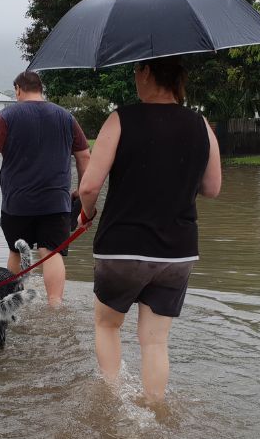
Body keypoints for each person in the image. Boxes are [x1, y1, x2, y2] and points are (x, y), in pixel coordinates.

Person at [77, 56, 221, 404]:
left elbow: (88, 186)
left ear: (146, 73)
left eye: (135, 71)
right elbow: (213, 187)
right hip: (177, 252)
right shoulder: (201, 125)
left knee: (107, 325)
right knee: (155, 341)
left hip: (122, 247)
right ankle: (153, 407)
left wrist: (86, 213)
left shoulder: (120, 119)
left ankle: (114, 402)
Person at [0, 71, 91, 307]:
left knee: (16, 251)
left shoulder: (8, 115)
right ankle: (55, 306)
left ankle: (10, 303)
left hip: (17, 202)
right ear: (40, 89)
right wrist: (80, 190)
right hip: (56, 201)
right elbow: (84, 155)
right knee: (51, 253)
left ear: (18, 90)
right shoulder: (65, 117)